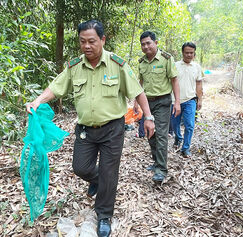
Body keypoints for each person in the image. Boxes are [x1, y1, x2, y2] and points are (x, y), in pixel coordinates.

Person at [26, 20, 155, 237]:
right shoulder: (74, 67)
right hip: (86, 130)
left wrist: (148, 117)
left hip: (113, 128)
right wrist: (37, 101)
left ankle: (104, 215)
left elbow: (137, 91)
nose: (87, 46)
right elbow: (55, 88)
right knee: (81, 167)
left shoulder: (118, 64)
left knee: (109, 171)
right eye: (82, 42)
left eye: (92, 41)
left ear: (102, 40)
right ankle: (97, 180)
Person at [134, 31, 181, 182]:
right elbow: (139, 84)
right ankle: (156, 162)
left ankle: (161, 169)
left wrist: (177, 102)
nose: (146, 46)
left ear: (156, 43)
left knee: (161, 134)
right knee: (150, 133)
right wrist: (136, 102)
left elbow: (174, 80)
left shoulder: (166, 58)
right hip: (147, 103)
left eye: (148, 43)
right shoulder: (141, 62)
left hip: (163, 101)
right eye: (143, 44)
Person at [171, 42, 203, 158]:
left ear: (194, 53)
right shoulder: (174, 65)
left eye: (191, 53)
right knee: (175, 124)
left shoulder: (197, 67)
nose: (189, 55)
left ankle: (185, 148)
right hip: (175, 101)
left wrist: (200, 100)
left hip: (190, 100)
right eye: (187, 53)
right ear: (182, 53)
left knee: (189, 125)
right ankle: (178, 137)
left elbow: (199, 84)